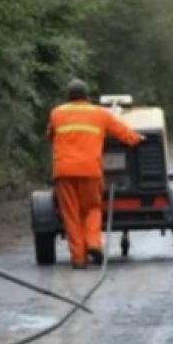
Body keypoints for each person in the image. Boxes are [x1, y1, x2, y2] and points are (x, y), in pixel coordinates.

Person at [47, 79, 142, 269]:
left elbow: (50, 136)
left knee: (71, 215)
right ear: (87, 96)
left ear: (68, 96)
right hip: (90, 171)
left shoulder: (56, 113)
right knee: (93, 208)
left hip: (64, 173)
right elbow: (122, 132)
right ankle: (93, 243)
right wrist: (137, 139)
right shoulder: (99, 113)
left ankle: (79, 259)